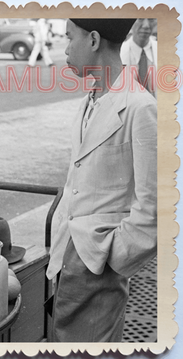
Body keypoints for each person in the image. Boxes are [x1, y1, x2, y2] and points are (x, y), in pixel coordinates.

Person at [46, 18, 157, 342]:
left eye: (69, 38)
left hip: (98, 266)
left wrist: (110, 258)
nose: (65, 49)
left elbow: (154, 209)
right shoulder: (88, 102)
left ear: (93, 40)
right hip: (65, 262)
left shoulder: (140, 108)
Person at [120, 19, 158, 95]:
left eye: (151, 19)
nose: (146, 26)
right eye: (140, 19)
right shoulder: (119, 52)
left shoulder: (164, 50)